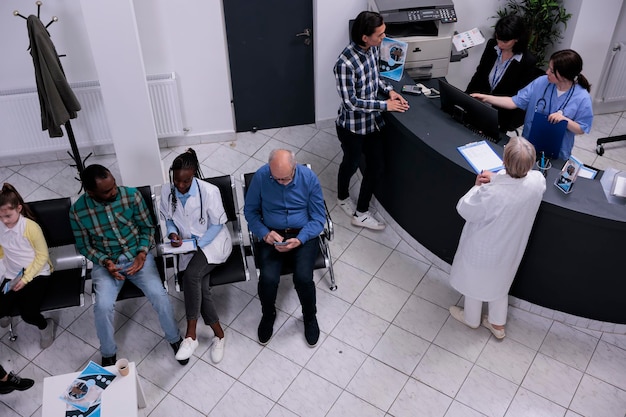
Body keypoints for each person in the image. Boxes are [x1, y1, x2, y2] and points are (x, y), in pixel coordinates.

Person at [69, 164, 185, 367]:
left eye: (114, 185)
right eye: (107, 191)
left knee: (159, 295)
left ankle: (175, 339)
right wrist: (105, 262)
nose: (115, 192)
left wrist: (141, 253)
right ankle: (108, 352)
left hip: (137, 255)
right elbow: (84, 247)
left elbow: (147, 228)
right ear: (91, 192)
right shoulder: (78, 212)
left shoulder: (131, 196)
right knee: (102, 307)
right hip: (107, 263)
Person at [448, 137, 546, 339]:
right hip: (510, 249)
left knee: (475, 284)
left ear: (504, 161)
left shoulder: (491, 193)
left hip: (483, 250)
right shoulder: (537, 182)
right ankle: (497, 324)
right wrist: (498, 178)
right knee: (500, 284)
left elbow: (465, 208)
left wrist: (477, 186)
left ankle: (472, 319)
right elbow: (517, 185)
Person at [334, 10, 410, 230]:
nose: (383, 38)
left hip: (372, 123)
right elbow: (351, 103)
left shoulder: (372, 50)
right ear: (365, 37)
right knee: (351, 163)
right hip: (352, 128)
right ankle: (342, 197)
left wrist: (389, 92)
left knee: (376, 167)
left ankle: (362, 212)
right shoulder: (345, 64)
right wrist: (385, 105)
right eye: (380, 35)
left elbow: (374, 79)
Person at [243, 149, 325, 347]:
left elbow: (319, 218)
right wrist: (265, 233)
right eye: (277, 179)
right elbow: (250, 212)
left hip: (302, 232)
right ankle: (268, 314)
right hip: (273, 233)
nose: (282, 183)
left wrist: (302, 238)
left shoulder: (309, 178)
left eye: (286, 178)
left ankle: (309, 317)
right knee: (268, 279)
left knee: (304, 278)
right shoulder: (262, 177)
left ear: (295, 167)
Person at [159, 149, 231, 363]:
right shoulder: (166, 191)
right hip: (186, 245)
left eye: (186, 181)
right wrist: (172, 233)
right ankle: (219, 335)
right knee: (200, 286)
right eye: (177, 181)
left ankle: (191, 335)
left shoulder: (209, 192)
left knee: (191, 276)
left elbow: (217, 224)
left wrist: (198, 244)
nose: (180, 186)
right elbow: (168, 219)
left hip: (212, 242)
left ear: (194, 174)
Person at [472, 49, 593, 160]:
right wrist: (486, 98)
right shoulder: (541, 82)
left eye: (551, 71)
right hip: (529, 146)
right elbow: (514, 102)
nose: (547, 72)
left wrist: (564, 120)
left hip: (557, 152)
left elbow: (581, 128)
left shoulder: (582, 97)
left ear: (564, 75)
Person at [0, 183, 55, 349]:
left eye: (8, 216)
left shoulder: (30, 228)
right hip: (12, 272)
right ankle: (4, 312)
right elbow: (2, 250)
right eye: (0, 216)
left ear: (18, 208)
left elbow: (42, 256)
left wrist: (25, 279)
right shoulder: (0, 224)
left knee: (28, 313)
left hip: (37, 273)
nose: (4, 221)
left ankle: (45, 327)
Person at [465, 15, 539, 132]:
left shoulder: (527, 61)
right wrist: (466, 97)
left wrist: (507, 124)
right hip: (477, 106)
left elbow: (518, 97)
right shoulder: (492, 45)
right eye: (498, 38)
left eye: (505, 41)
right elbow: (479, 74)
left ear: (517, 39)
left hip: (500, 116)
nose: (500, 44)